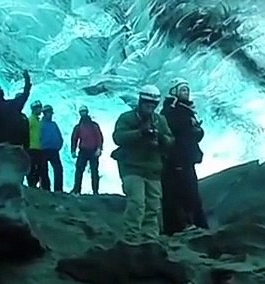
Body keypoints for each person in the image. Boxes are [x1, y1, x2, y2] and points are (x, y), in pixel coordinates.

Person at [111, 85, 174, 240]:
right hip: (131, 168)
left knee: (153, 206)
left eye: (153, 104)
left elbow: (171, 140)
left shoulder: (160, 121)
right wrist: (140, 133)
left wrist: (161, 138)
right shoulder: (127, 118)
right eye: (147, 103)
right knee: (137, 203)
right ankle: (131, 237)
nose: (149, 106)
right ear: (140, 101)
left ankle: (149, 237)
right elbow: (118, 137)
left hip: (153, 169)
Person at [160, 78, 208, 233]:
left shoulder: (186, 111)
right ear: (174, 91)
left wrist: (197, 131)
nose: (186, 93)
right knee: (182, 192)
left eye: (187, 90)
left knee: (189, 191)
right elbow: (176, 131)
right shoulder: (171, 111)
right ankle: (184, 224)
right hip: (177, 159)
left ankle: (192, 224)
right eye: (182, 90)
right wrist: (191, 128)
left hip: (186, 158)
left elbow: (189, 135)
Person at [0, 72, 32, 147]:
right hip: (16, 145)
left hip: (0, 145)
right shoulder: (13, 104)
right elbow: (25, 94)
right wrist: (27, 79)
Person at [70, 105, 103, 194]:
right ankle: (77, 190)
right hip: (84, 151)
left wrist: (99, 148)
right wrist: (73, 150)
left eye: (84, 112)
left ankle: (95, 191)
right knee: (80, 170)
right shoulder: (80, 126)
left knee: (93, 171)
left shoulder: (93, 125)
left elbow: (99, 137)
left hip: (92, 151)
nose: (83, 113)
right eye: (82, 112)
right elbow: (74, 138)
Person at [39, 105, 64, 191]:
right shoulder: (40, 124)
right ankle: (46, 189)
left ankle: (58, 189)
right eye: (48, 113)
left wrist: (59, 144)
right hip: (44, 150)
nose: (50, 115)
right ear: (45, 113)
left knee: (58, 170)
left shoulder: (53, 124)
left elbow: (59, 136)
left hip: (54, 150)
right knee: (44, 171)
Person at [26, 100, 46, 188]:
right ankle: (32, 185)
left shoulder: (37, 121)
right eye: (39, 108)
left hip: (38, 147)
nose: (40, 110)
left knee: (38, 168)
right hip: (32, 147)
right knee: (33, 167)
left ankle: (33, 184)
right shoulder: (31, 120)